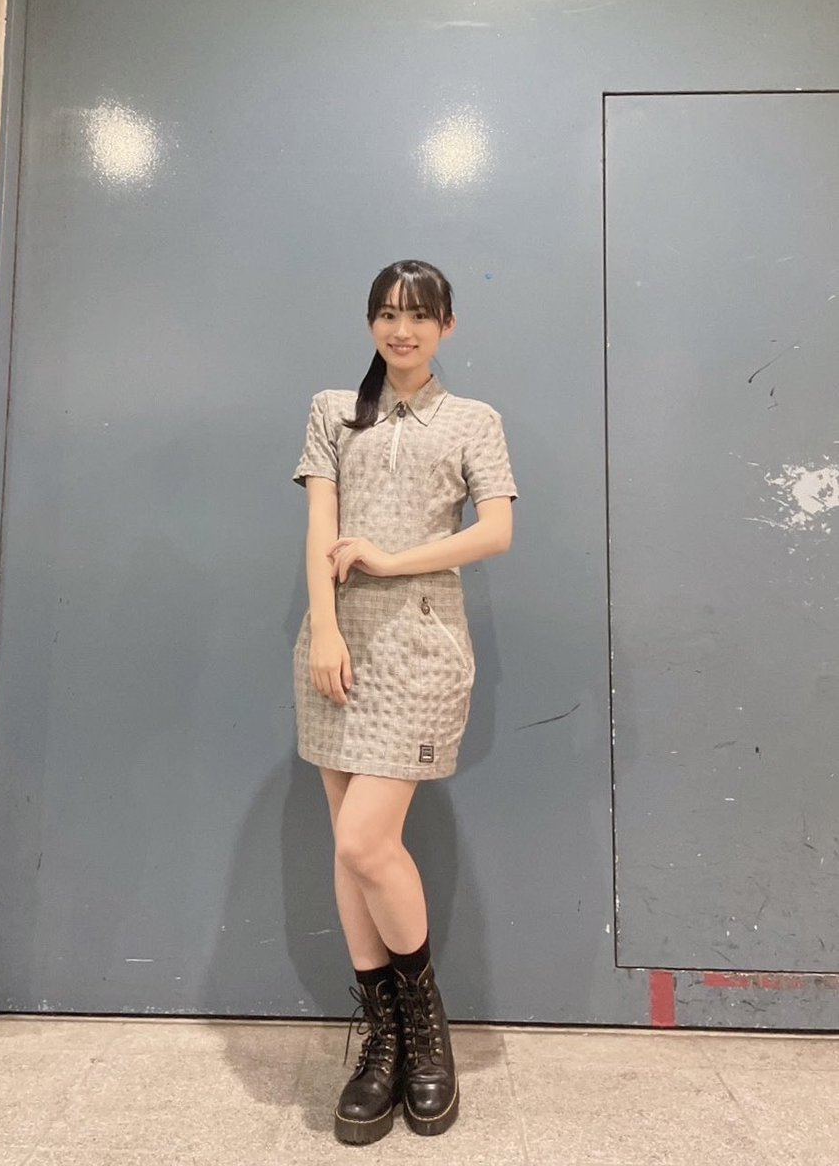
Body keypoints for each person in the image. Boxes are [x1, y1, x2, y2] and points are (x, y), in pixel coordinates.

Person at [291, 259, 518, 1144]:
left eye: (420, 315)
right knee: (349, 850)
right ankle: (382, 1042)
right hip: (337, 649)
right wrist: (326, 629)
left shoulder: (473, 420)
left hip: (422, 650)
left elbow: (496, 531)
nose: (402, 329)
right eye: (387, 313)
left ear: (447, 326)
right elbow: (320, 525)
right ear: (370, 323)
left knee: (364, 840)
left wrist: (390, 560)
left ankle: (426, 1028)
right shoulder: (332, 410)